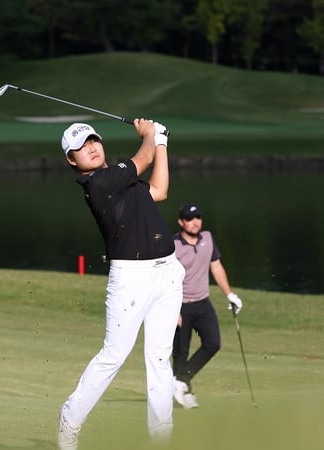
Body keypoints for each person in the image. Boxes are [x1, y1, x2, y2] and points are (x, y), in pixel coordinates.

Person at [56, 120, 185, 450]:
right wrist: (149, 137)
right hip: (131, 278)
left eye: (93, 140)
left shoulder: (123, 181)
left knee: (159, 358)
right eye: (82, 147)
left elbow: (160, 191)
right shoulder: (99, 183)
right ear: (73, 160)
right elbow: (141, 159)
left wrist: (162, 145)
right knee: (113, 355)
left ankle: (162, 438)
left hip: (167, 273)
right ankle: (70, 419)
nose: (91, 148)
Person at [171, 203, 243, 409]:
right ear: (181, 222)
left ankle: (181, 380)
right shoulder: (172, 245)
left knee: (213, 343)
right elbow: (163, 277)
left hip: (202, 302)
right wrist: (172, 309)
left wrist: (229, 295)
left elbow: (216, 267)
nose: (195, 223)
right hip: (180, 305)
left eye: (198, 218)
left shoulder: (208, 239)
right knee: (180, 351)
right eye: (190, 219)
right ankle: (185, 392)